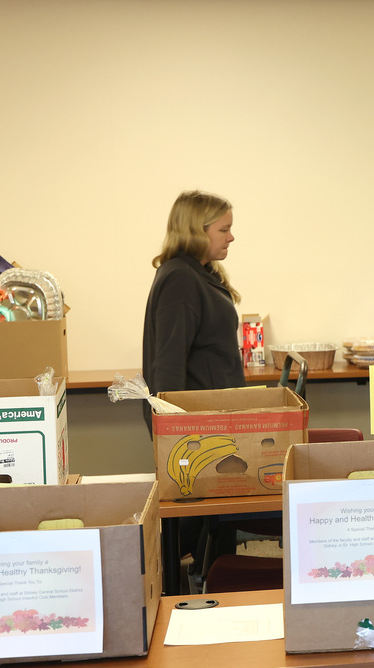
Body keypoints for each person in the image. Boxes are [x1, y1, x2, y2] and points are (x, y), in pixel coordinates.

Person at [142, 190, 246, 577]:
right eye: (224, 229)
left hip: (211, 417)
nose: (231, 237)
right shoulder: (180, 279)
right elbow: (167, 364)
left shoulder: (197, 273)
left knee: (212, 525)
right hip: (193, 425)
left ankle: (215, 578)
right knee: (189, 527)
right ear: (197, 231)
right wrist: (175, 430)